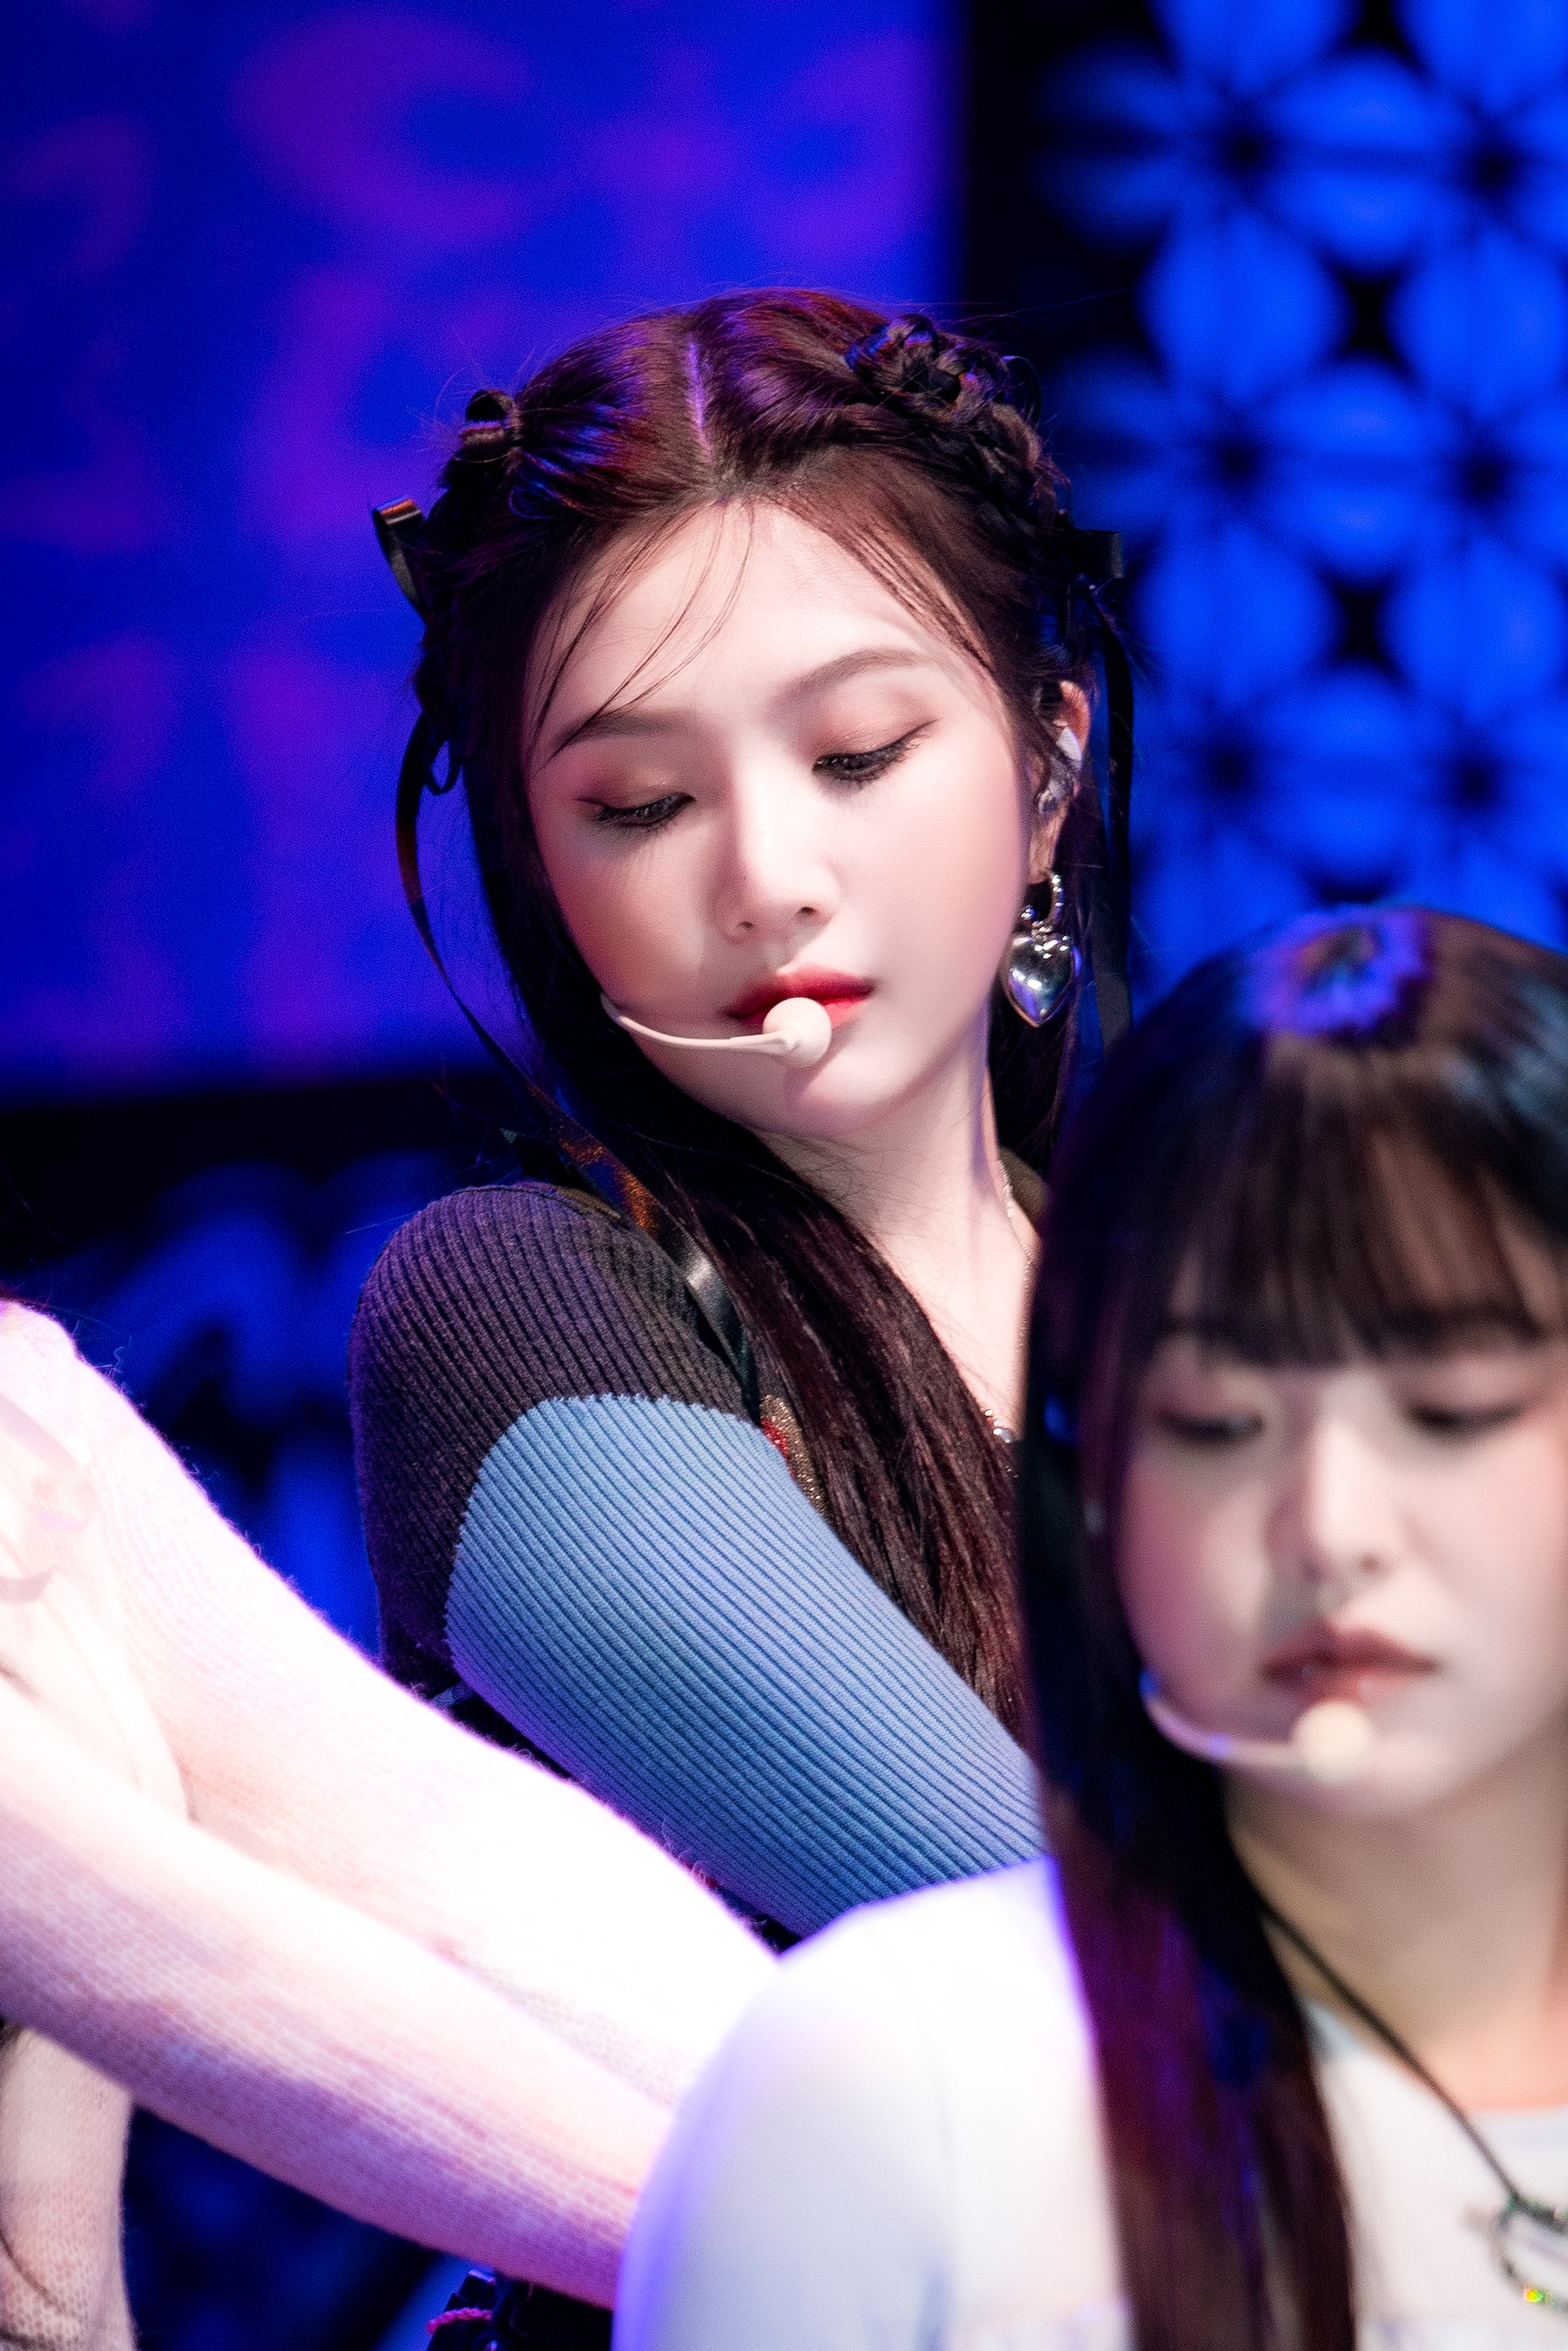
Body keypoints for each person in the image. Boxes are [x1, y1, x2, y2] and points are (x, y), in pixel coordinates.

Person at [613, 904, 1568, 2349]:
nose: (1330, 1527)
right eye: (1219, 1422)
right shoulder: (882, 2088)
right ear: (1096, 1473)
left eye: (1447, 1411)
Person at [352, 290, 1128, 1945]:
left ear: (1048, 775)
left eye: (858, 753)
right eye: (642, 804)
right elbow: (1048, 1955)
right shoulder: (515, 1307)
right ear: (539, 868)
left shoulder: (1216, 1301)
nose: (767, 879)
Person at [0, 1295, 770, 2346]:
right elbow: (199, 1971)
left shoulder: (24, 1394)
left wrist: (852, 2119)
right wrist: (833, 2223)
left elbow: (439, 1849)